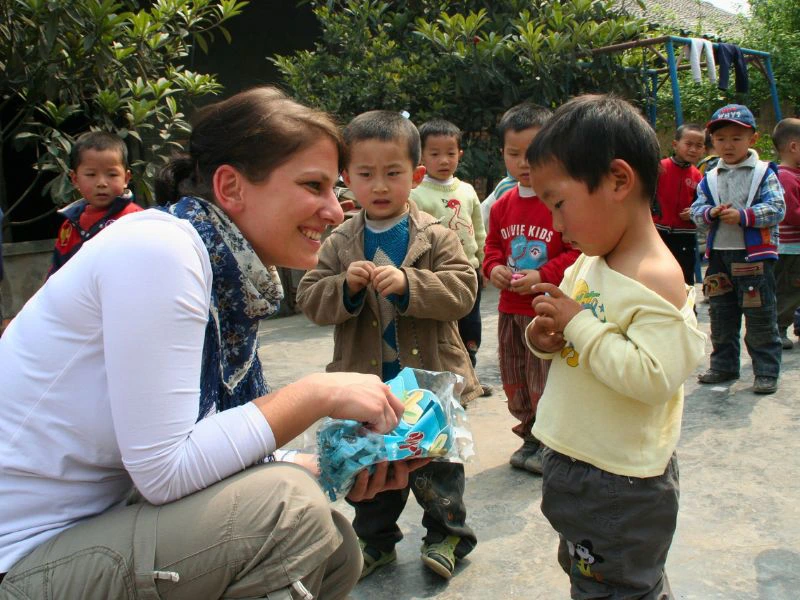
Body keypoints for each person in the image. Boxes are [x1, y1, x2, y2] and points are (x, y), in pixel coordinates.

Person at [0, 87, 426, 600]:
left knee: (335, 546)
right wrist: (317, 394)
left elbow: (188, 446)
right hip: (21, 559)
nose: (335, 211)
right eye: (314, 186)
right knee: (287, 513)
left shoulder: (219, 271)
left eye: (334, 189)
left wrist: (334, 466)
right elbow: (164, 470)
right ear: (231, 186)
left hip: (93, 526)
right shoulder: (162, 249)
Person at [524, 94, 706, 599]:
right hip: (579, 463)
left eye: (559, 203)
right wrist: (544, 337)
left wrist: (578, 325)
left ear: (618, 180)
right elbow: (574, 337)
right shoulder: (594, 260)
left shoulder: (655, 278)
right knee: (597, 578)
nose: (556, 225)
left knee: (618, 589)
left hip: (618, 483)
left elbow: (652, 378)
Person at [296, 110, 480, 581]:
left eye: (393, 173)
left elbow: (463, 291)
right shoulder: (339, 241)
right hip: (367, 383)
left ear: (415, 177)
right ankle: (375, 541)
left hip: (429, 382)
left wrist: (408, 283)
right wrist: (346, 288)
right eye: (366, 174)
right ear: (347, 178)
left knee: (435, 465)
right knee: (371, 468)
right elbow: (311, 300)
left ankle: (448, 535)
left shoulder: (436, 234)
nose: (380, 185)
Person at [482, 102, 579, 474]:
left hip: (547, 311)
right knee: (515, 379)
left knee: (546, 380)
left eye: (533, 152)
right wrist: (494, 270)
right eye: (514, 153)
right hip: (509, 310)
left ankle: (552, 444)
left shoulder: (561, 200)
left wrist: (544, 275)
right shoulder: (503, 204)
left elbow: (575, 250)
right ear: (502, 154)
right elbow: (491, 248)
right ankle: (529, 437)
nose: (524, 162)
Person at [690, 104, 785, 394]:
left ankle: (766, 371)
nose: (727, 145)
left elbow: (777, 208)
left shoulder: (764, 172)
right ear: (712, 142)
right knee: (720, 314)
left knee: (759, 315)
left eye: (736, 138)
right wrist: (710, 212)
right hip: (718, 257)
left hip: (753, 258)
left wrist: (744, 216)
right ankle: (723, 366)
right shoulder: (710, 176)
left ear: (752, 139)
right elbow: (695, 209)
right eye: (720, 139)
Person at [409, 118, 487, 374]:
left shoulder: (466, 190)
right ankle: (446, 381)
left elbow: (478, 229)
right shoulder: (416, 194)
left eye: (450, 153)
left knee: (470, 327)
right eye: (435, 154)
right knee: (443, 330)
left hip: (470, 271)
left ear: (460, 154)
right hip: (437, 275)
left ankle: (468, 377)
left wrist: (483, 262)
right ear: (421, 156)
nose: (444, 160)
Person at [47, 131, 142, 277]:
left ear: (126, 178)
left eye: (112, 174)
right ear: (75, 179)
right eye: (91, 174)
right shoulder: (69, 226)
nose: (101, 183)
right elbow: (57, 275)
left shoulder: (136, 219)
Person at [653, 123, 705, 286]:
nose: (693, 149)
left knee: (685, 277)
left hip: (685, 235)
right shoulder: (660, 168)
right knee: (657, 275)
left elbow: (701, 203)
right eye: (688, 144)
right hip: (658, 231)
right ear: (675, 145)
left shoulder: (698, 176)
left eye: (698, 146)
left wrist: (694, 212)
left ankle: (687, 310)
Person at [772, 118, 800, 349]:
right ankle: (778, 328)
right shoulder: (785, 176)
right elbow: (791, 213)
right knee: (789, 290)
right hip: (790, 248)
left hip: (795, 247)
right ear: (793, 147)